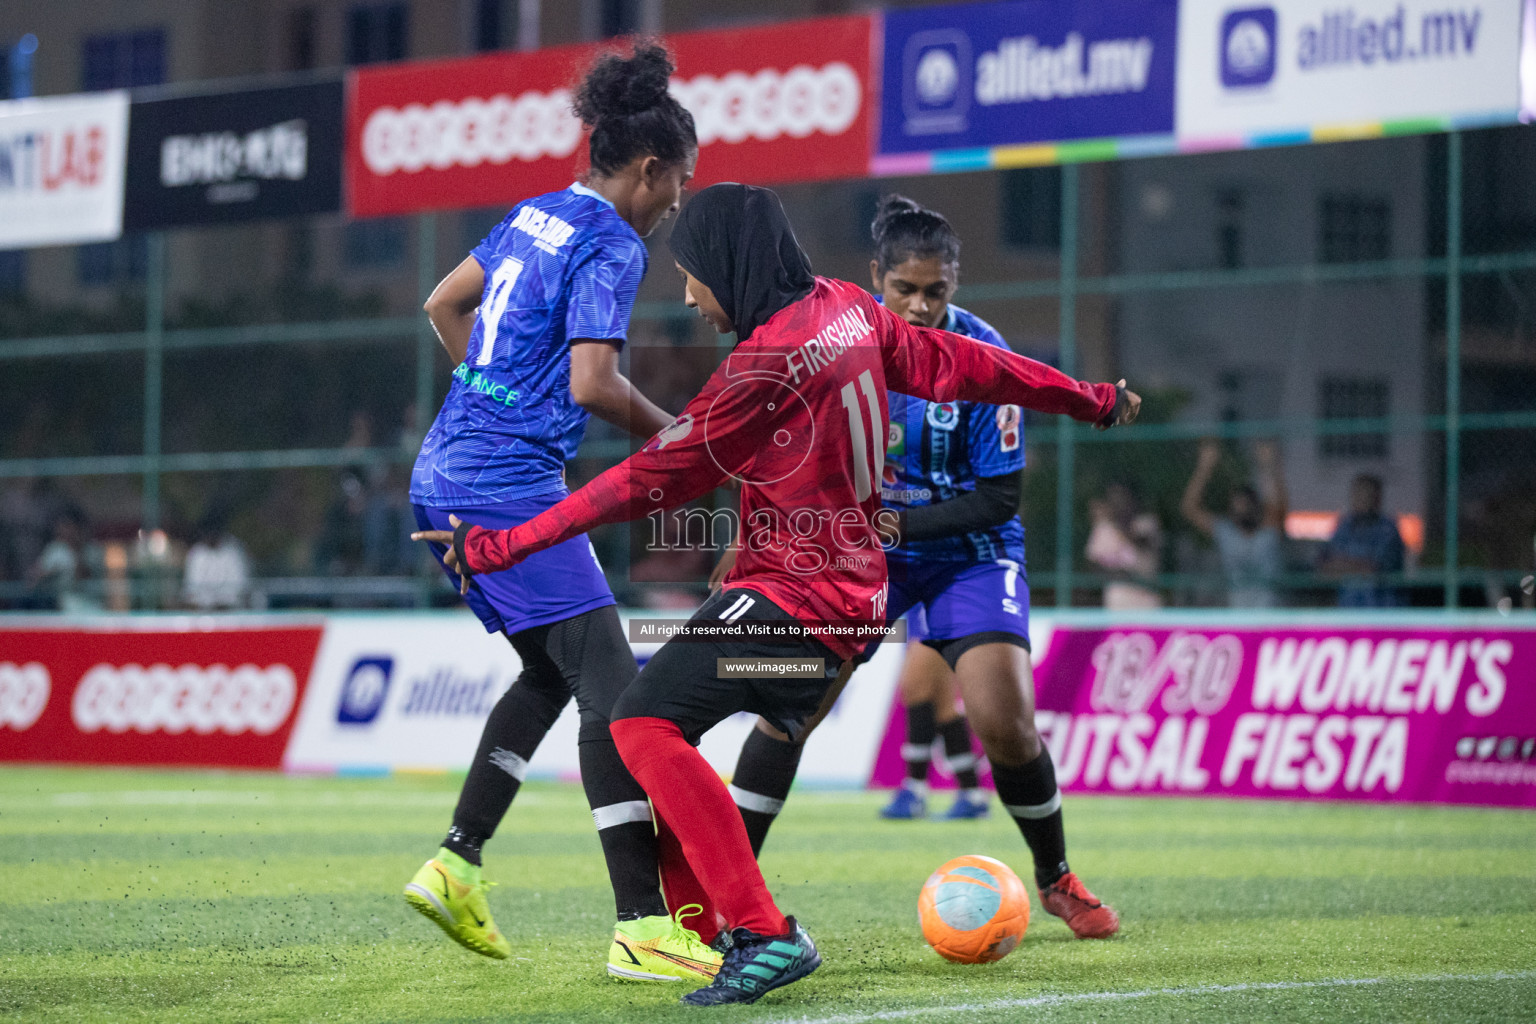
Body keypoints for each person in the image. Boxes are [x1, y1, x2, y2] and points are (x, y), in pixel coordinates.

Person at [416, 182, 1139, 1005]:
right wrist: (1092, 399)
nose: (688, 294)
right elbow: (970, 367)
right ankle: (710, 926)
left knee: (640, 724)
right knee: (671, 732)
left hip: (806, 606)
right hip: (838, 599)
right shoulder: (847, 310)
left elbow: (643, 483)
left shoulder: (761, 368)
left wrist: (504, 542)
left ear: (731, 265)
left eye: (693, 275)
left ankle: (762, 933)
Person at [401, 43, 719, 983]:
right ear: (650, 169)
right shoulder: (611, 241)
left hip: (442, 473)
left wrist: (493, 397)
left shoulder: (533, 213)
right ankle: (640, 926)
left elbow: (441, 303)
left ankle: (458, 861)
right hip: (502, 488)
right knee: (616, 690)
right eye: (679, 186)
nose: (675, 208)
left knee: (550, 672)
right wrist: (679, 440)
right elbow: (593, 381)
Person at [725, 197, 1117, 941]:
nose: (922, 305)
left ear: (956, 283)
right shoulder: (837, 346)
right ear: (877, 278)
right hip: (866, 557)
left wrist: (888, 522)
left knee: (1005, 726)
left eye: (937, 290)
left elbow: (999, 497)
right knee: (790, 708)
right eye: (906, 289)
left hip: (971, 555)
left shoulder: (983, 354)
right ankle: (729, 895)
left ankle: (1056, 879)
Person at [1180, 438, 1287, 607]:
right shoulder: (1226, 533)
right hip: (1237, 618)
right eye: (1237, 505)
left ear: (1257, 508)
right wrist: (1204, 468)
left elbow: (1280, 507)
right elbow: (1189, 508)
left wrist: (1269, 467)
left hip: (1269, 618)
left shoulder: (1268, 533)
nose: (1241, 509)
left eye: (1246, 504)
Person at [1318, 474, 1406, 607]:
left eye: (1367, 494)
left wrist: (1342, 565)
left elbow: (1373, 568)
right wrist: (1355, 566)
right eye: (1357, 493)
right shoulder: (1344, 526)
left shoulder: (1388, 529)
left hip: (1382, 613)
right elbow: (1324, 566)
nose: (1361, 499)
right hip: (1348, 611)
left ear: (1378, 498)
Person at [1085, 481, 1162, 609]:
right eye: (1113, 498)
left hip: (1146, 602)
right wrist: (1118, 574)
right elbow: (1092, 565)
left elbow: (1142, 542)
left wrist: (1114, 523)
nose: (1117, 503)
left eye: (1121, 497)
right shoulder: (1104, 528)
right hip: (1117, 604)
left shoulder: (1147, 522)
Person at [182, 510, 250, 611]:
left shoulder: (233, 552)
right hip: (203, 613)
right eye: (207, 533)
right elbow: (192, 589)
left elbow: (240, 589)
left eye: (213, 532)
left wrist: (221, 603)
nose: (210, 536)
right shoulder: (197, 553)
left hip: (231, 612)